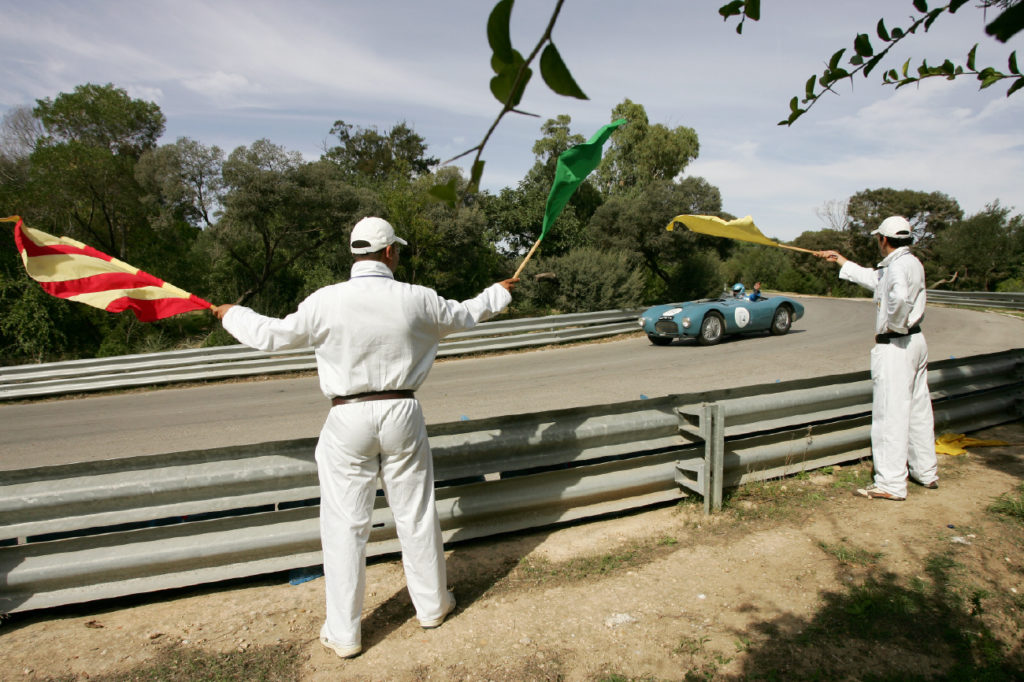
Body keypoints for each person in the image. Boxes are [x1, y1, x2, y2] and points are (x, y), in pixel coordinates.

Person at [211, 216, 519, 658]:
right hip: (402, 410)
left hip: (347, 416)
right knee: (414, 512)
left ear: (355, 253)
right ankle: (432, 607)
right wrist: (500, 292)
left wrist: (231, 314)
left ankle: (345, 635)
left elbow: (273, 336)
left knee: (344, 525)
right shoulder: (417, 298)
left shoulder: (325, 300)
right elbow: (467, 313)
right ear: (390, 252)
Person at [815, 216, 938, 501]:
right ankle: (925, 472)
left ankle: (891, 483)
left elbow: (898, 300)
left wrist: (893, 329)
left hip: (897, 345)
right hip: (916, 341)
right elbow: (874, 280)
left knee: (890, 413)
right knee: (918, 409)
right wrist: (841, 261)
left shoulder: (896, 268)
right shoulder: (910, 263)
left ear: (883, 239)